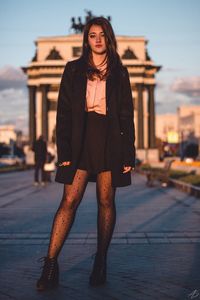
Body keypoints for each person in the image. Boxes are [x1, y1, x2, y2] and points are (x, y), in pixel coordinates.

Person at [36, 16, 135, 291]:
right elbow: (64, 112)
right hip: (80, 140)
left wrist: (129, 153)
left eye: (102, 34)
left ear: (109, 37)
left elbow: (127, 115)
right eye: (92, 35)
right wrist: (64, 148)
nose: (98, 40)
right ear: (86, 39)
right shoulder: (73, 69)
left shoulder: (120, 72)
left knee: (106, 200)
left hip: (110, 140)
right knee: (69, 200)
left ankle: (100, 262)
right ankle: (50, 265)